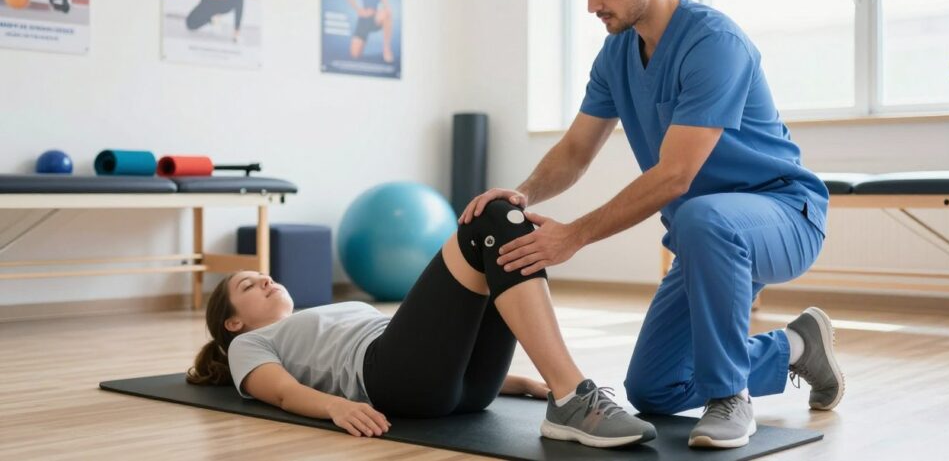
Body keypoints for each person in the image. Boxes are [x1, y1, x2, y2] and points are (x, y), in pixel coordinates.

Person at [460, 0, 844, 450]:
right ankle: (799, 347)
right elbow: (575, 150)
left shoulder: (714, 43)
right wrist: (523, 194)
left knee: (701, 215)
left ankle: (730, 395)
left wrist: (573, 236)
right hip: (704, 235)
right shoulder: (616, 54)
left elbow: (677, 175)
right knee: (655, 387)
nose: (592, 5)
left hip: (782, 214)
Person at [187, 200, 657, 449]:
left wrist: (515, 383)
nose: (265, 278)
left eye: (263, 275)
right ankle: (574, 396)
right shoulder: (249, 345)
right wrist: (335, 407)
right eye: (249, 285)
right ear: (233, 321)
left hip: (469, 390)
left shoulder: (327, 310)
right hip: (393, 380)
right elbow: (282, 391)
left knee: (513, 235)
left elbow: (441, 342)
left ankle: (563, 391)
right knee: (491, 221)